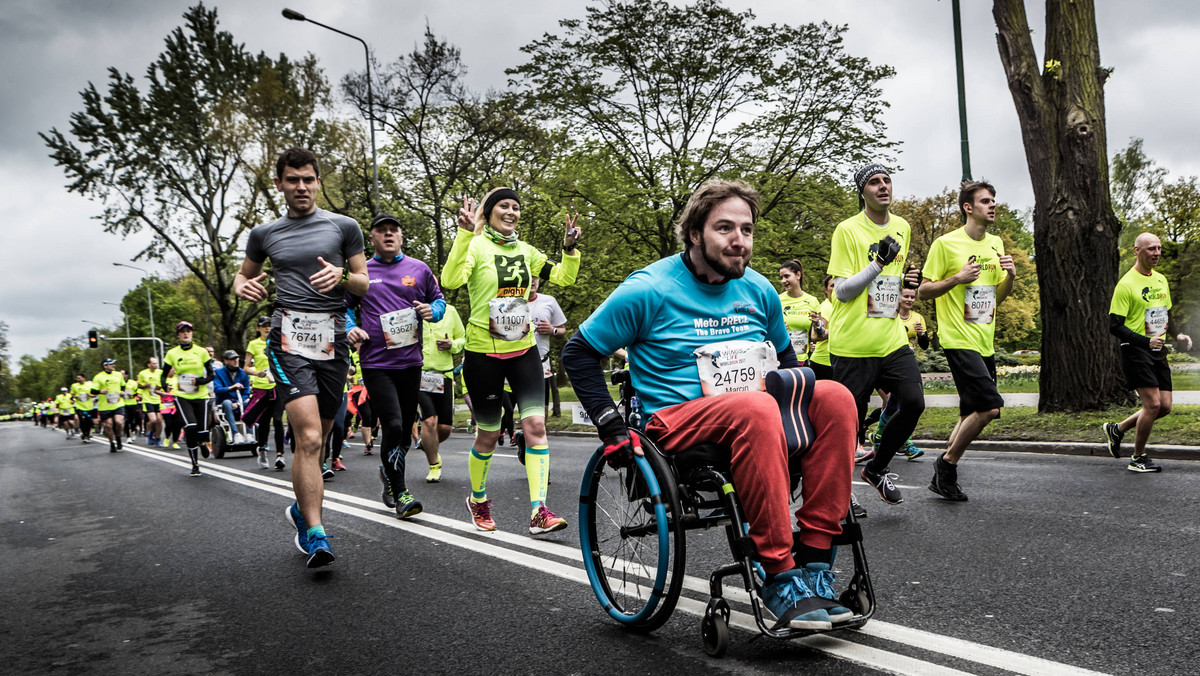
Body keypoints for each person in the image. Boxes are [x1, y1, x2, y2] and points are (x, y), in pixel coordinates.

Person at [562, 179, 857, 631]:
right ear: (696, 233)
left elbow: (789, 362)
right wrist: (611, 427)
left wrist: (801, 402)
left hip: (751, 411)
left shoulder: (759, 291)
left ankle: (815, 560)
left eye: (747, 229)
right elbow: (579, 352)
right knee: (754, 409)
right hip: (676, 420)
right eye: (725, 228)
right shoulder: (649, 288)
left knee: (835, 396)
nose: (739, 240)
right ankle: (777, 572)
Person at [233, 147, 367, 568]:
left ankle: (299, 510)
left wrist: (343, 276)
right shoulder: (264, 234)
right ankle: (315, 532)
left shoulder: (344, 227)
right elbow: (244, 273)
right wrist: (241, 285)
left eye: (308, 179)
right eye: (293, 180)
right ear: (280, 184)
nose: (302, 187)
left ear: (318, 181)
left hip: (333, 338)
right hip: (287, 337)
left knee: (322, 439)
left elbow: (364, 283)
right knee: (308, 437)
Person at [442, 188, 581, 535]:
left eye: (516, 207)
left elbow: (565, 277)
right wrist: (462, 235)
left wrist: (568, 249)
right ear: (488, 212)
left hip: (523, 349)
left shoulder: (527, 252)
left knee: (535, 427)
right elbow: (450, 280)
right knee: (488, 434)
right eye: (504, 205)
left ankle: (539, 511)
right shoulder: (475, 246)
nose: (511, 211)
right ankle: (477, 499)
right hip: (483, 354)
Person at [826, 163, 925, 505]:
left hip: (890, 338)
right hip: (853, 344)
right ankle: (840, 495)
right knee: (846, 428)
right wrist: (877, 264)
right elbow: (841, 292)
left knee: (913, 402)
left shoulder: (902, 227)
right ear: (862, 191)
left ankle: (877, 468)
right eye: (874, 182)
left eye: (887, 180)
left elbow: (890, 283)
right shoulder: (847, 230)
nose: (883, 186)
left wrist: (904, 285)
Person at [918, 180, 1015, 499]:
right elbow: (923, 290)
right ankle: (946, 464)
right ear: (968, 208)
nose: (993, 205)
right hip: (957, 338)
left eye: (994, 201)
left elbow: (997, 298)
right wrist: (956, 278)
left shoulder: (996, 243)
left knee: (968, 412)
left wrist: (1011, 277)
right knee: (990, 408)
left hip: (983, 338)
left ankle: (942, 478)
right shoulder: (946, 244)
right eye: (986, 201)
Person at [345, 212, 445, 517]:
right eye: (381, 231)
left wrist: (433, 310)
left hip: (410, 361)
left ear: (400, 236)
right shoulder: (361, 274)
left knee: (404, 433)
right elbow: (346, 309)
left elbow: (439, 301)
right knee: (393, 424)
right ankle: (401, 493)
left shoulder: (419, 268)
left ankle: (388, 473)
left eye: (393, 230)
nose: (388, 234)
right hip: (376, 363)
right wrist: (351, 327)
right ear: (371, 238)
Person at [1101, 232, 1193, 472]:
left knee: (1165, 407)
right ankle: (1138, 457)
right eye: (1151, 248)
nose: (1157, 253)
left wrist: (1178, 335)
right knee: (1152, 405)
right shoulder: (1126, 284)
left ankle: (1117, 429)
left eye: (1159, 248)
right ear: (1137, 251)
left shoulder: (1161, 279)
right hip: (1135, 350)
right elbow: (1115, 326)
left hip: (1157, 350)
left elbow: (1166, 314)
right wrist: (1145, 342)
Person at [417, 301, 466, 483]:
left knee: (444, 428)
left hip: (443, 374)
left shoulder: (450, 311)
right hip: (420, 374)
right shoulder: (412, 311)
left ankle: (427, 444)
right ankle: (434, 465)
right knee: (429, 421)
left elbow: (463, 338)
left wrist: (452, 345)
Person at [163, 321, 216, 475]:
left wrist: (199, 381)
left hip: (201, 395)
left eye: (188, 331)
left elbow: (211, 375)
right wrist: (165, 385)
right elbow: (163, 375)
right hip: (182, 396)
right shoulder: (172, 353)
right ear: (178, 335)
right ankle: (195, 464)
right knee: (191, 427)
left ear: (192, 333)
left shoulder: (201, 352)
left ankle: (202, 442)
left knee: (203, 431)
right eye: (182, 331)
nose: (186, 334)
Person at [245, 317, 287, 469]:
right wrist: (257, 374)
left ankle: (280, 455)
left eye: (270, 326)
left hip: (277, 386)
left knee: (277, 419)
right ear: (258, 328)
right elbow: (246, 367)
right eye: (264, 326)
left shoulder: (278, 342)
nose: (267, 329)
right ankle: (262, 449)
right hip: (261, 388)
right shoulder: (253, 344)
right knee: (263, 422)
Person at [528, 276, 568, 411]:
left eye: (535, 278)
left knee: (541, 409)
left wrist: (553, 330)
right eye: (528, 277)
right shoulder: (510, 302)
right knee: (509, 409)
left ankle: (537, 432)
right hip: (514, 360)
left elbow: (562, 330)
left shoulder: (549, 301)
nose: (532, 281)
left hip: (541, 362)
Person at [779, 259, 822, 363]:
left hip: (803, 360)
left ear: (798, 275)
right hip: (781, 358)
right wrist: (779, 330)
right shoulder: (777, 300)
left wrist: (817, 325)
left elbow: (818, 336)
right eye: (781, 278)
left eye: (787, 276)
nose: (783, 281)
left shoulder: (812, 301)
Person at [213, 350, 251, 443]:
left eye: (237, 358)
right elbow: (217, 389)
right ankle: (236, 434)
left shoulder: (243, 373)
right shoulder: (218, 373)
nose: (236, 360)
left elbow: (247, 392)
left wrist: (238, 403)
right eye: (232, 359)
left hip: (240, 403)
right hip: (225, 404)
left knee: (248, 401)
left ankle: (249, 434)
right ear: (226, 361)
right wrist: (231, 388)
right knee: (227, 402)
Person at [137, 357, 164, 446]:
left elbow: (164, 383)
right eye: (153, 363)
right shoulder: (143, 373)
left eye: (156, 363)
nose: (155, 365)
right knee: (153, 420)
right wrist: (145, 386)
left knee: (159, 421)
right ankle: (150, 434)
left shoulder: (160, 372)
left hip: (159, 399)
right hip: (148, 399)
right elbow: (139, 385)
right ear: (149, 365)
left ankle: (157, 438)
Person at [70, 373, 95, 443]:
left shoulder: (89, 385)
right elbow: (72, 395)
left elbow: (94, 394)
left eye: (79, 378)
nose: (78, 380)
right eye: (77, 378)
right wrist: (74, 398)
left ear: (84, 378)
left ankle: (86, 433)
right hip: (79, 406)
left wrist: (90, 395)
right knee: (82, 420)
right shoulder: (74, 386)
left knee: (88, 421)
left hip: (89, 407)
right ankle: (85, 434)